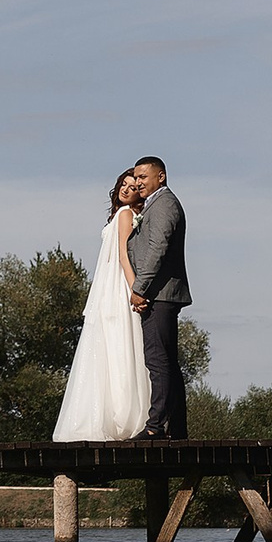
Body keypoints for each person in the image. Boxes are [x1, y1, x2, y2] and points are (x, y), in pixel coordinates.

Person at [52, 168, 153, 441]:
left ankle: (117, 416)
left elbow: (123, 255)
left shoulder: (124, 215)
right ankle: (116, 414)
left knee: (114, 344)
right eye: (124, 183)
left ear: (138, 194)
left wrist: (135, 290)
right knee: (114, 345)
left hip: (116, 286)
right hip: (108, 286)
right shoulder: (123, 214)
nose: (126, 189)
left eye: (133, 187)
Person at [124, 156, 189, 439]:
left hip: (159, 294)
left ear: (160, 177)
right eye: (136, 177)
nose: (138, 182)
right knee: (167, 362)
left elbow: (157, 248)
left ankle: (155, 428)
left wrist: (140, 287)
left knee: (158, 361)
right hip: (162, 293)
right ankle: (176, 429)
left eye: (143, 177)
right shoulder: (156, 203)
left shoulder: (164, 204)